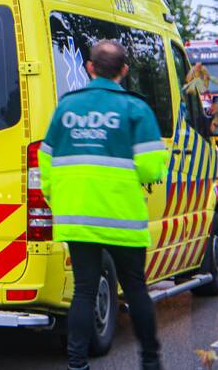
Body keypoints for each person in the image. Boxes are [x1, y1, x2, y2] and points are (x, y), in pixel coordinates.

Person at [40, 40, 169, 370]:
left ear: (89, 67)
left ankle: (77, 364)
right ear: (124, 70)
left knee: (84, 291)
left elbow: (46, 159)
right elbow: (151, 169)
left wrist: (56, 197)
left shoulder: (66, 107)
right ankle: (151, 362)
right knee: (136, 289)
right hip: (122, 217)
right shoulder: (136, 109)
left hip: (77, 217)